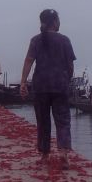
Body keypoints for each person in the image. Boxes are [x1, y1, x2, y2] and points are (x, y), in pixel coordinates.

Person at [20, 9, 77, 169]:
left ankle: (45, 156)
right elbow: (70, 65)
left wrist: (23, 82)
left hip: (41, 86)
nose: (59, 23)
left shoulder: (35, 40)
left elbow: (28, 61)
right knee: (63, 120)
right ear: (55, 22)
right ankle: (63, 153)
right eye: (58, 20)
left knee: (43, 121)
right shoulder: (64, 40)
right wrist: (67, 79)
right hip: (60, 85)